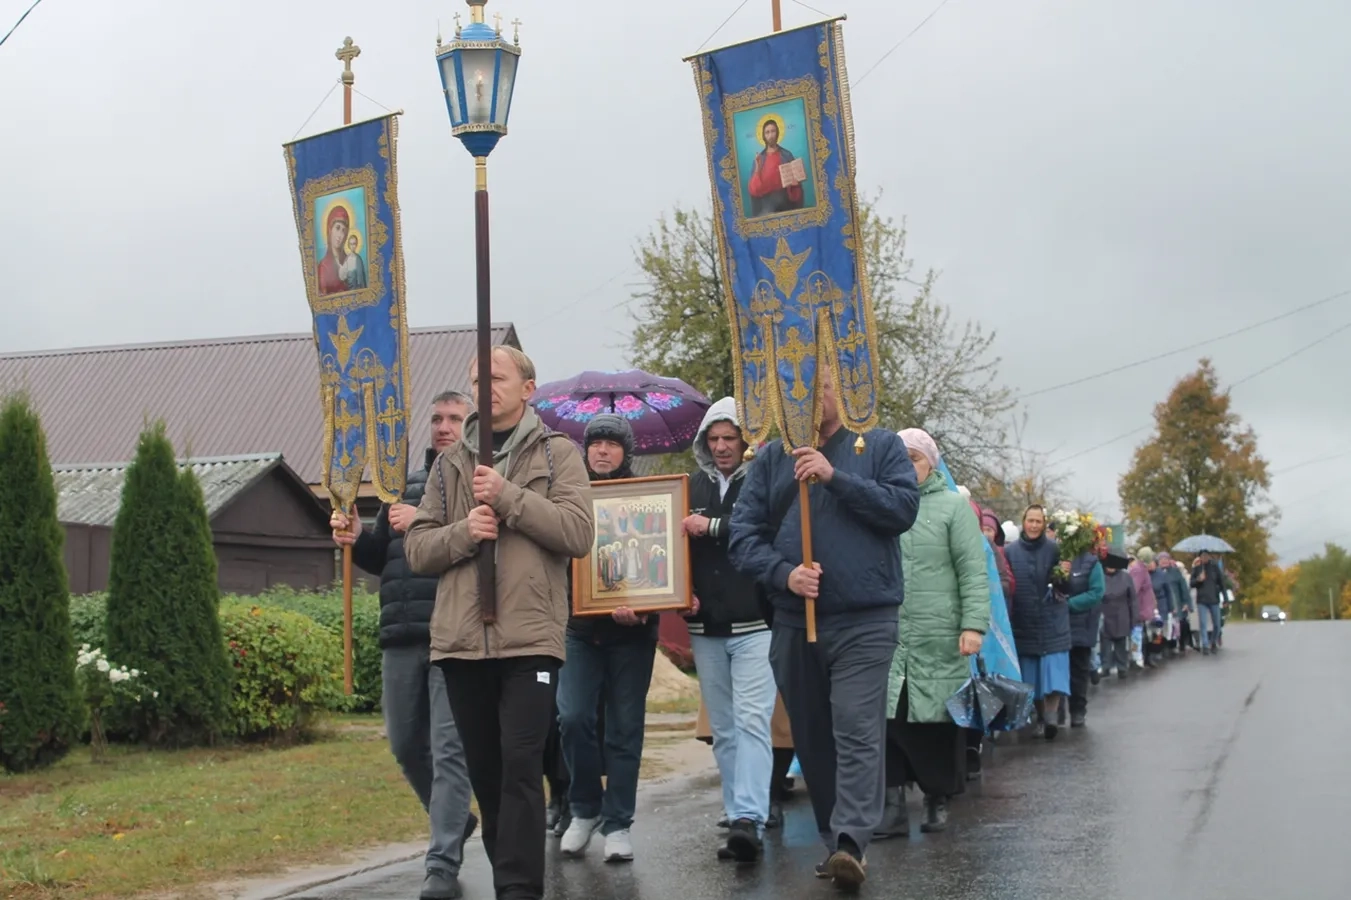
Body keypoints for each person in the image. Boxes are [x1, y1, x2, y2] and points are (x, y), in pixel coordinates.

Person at [405, 346, 594, 900]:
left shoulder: (559, 454)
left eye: (496, 376)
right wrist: (466, 531)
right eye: (475, 379)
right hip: (462, 641)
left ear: (528, 387)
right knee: (486, 775)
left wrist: (509, 498)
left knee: (519, 766)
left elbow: (578, 534)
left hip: (530, 640)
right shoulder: (449, 463)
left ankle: (517, 889)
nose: (485, 387)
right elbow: (419, 547)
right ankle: (511, 874)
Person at [728, 369, 919, 892]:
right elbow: (743, 537)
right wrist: (783, 574)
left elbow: (903, 509)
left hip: (865, 617)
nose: (812, 398)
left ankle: (853, 841)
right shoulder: (770, 459)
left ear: (844, 389)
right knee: (812, 735)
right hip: (795, 619)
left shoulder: (879, 446)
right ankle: (836, 836)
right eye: (799, 389)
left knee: (856, 727)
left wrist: (835, 477)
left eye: (823, 386)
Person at [330, 392, 476, 900]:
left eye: (454, 419)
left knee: (448, 748)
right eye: (437, 418)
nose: (443, 427)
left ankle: (441, 861)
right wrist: (357, 538)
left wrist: (422, 522)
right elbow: (385, 557)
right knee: (403, 743)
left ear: (470, 425)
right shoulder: (401, 484)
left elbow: (479, 545)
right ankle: (455, 820)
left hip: (453, 630)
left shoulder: (477, 482)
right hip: (400, 632)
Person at [875, 429, 988, 839]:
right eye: (898, 459)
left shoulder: (954, 508)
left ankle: (937, 799)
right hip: (890, 633)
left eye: (914, 459)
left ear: (931, 463)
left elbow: (973, 570)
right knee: (888, 718)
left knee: (935, 723)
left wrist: (973, 626)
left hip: (938, 635)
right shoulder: (882, 504)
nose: (906, 467)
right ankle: (891, 809)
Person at [681, 398, 779, 863]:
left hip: (756, 621)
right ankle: (736, 810)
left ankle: (750, 817)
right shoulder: (688, 486)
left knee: (753, 720)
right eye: (714, 439)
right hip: (705, 624)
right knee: (723, 728)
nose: (721, 447)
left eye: (730, 438)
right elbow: (674, 545)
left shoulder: (761, 481)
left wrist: (712, 525)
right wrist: (681, 592)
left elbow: (765, 531)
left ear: (745, 441)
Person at [557, 414, 658, 864]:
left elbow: (664, 568)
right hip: (579, 630)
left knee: (624, 730)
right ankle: (583, 809)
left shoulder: (651, 498)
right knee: (573, 718)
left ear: (626, 452)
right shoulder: (569, 494)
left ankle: (618, 824)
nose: (601, 451)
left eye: (611, 444)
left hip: (632, 633)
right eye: (595, 443)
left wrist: (644, 609)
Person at [1004, 506, 1070, 740]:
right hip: (1025, 620)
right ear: (1024, 522)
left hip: (1052, 620)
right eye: (1030, 521)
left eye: (1038, 522)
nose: (1034, 525)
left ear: (1044, 524)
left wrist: (1064, 575)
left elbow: (1065, 589)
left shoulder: (1055, 550)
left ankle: (1051, 717)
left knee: (1054, 673)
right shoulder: (1010, 552)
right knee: (1033, 676)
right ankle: (1042, 718)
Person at [1065, 545, 1105, 729]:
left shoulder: (1090, 563)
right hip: (1057, 624)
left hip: (1081, 624)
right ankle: (1053, 713)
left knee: (1079, 671)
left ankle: (1077, 710)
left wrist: (1070, 604)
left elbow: (1097, 592)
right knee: (1056, 669)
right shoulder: (1056, 557)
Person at [747, 119, 804, 216]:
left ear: (777, 133)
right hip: (766, 207)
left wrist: (794, 185)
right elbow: (754, 190)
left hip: (785, 204)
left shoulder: (786, 155)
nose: (770, 135)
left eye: (773, 131)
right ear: (764, 136)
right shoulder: (760, 159)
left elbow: (797, 189)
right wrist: (757, 168)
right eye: (767, 132)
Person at [1097, 552, 1138, 679]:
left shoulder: (1126, 577)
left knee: (1121, 643)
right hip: (1105, 613)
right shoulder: (1100, 576)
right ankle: (1106, 667)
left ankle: (1122, 667)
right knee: (1106, 644)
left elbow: (1133, 599)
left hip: (1122, 614)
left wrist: (1134, 618)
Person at [317, 205, 366, 294]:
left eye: (344, 230)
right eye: (337, 228)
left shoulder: (351, 260)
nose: (340, 235)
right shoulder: (323, 267)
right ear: (329, 229)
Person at [1128, 552, 1159, 668]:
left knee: (1145, 635)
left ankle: (1144, 657)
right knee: (1136, 635)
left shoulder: (1142, 569)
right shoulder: (1138, 570)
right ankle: (1136, 658)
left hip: (1145, 608)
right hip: (1139, 609)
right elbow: (1134, 589)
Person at [1191, 551, 1225, 654]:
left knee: (1217, 625)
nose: (1204, 558)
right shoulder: (1197, 569)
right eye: (1202, 556)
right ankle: (1205, 645)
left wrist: (1226, 599)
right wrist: (1198, 580)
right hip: (1202, 600)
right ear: (1200, 557)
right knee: (1203, 624)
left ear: (1209, 557)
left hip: (1214, 599)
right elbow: (1191, 584)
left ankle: (1213, 641)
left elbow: (1222, 583)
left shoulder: (1214, 568)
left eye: (1206, 556)